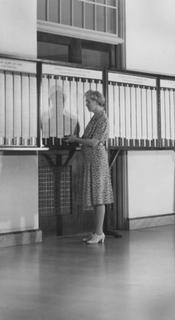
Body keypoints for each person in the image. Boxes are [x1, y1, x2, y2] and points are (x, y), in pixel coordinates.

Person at [64, 90, 114, 243]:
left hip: (97, 161)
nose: (86, 104)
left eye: (88, 102)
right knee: (95, 197)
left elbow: (94, 141)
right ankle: (97, 231)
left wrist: (75, 139)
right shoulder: (95, 118)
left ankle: (99, 233)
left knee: (99, 197)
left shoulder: (103, 119)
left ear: (97, 101)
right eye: (86, 102)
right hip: (91, 160)